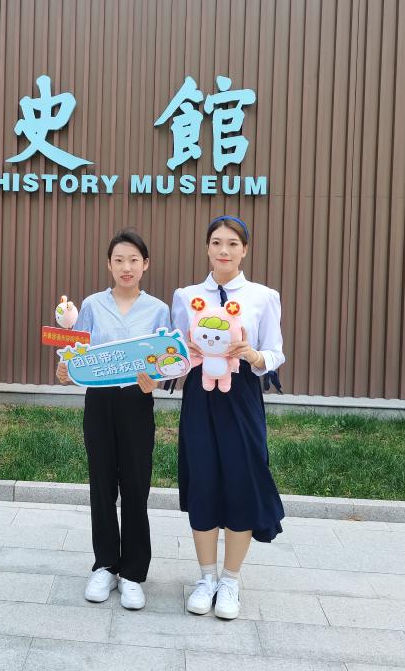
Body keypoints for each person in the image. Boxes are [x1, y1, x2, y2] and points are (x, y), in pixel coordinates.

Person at [170, 215, 286, 620]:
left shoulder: (262, 296)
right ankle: (206, 578)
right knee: (203, 479)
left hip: (242, 396)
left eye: (233, 243)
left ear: (245, 250)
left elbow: (276, 351)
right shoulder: (186, 296)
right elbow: (174, 353)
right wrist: (181, 354)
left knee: (242, 480)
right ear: (207, 247)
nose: (224, 250)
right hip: (200, 397)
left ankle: (231, 580)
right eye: (217, 242)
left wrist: (254, 356)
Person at [55, 228, 170, 610]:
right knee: (102, 483)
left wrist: (156, 380)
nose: (126, 267)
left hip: (137, 401)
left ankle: (133, 572)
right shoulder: (91, 305)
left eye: (133, 260)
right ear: (109, 264)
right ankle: (105, 565)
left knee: (136, 486)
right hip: (100, 401)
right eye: (119, 260)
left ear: (145, 264)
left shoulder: (158, 309)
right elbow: (76, 352)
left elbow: (166, 361)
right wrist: (65, 370)